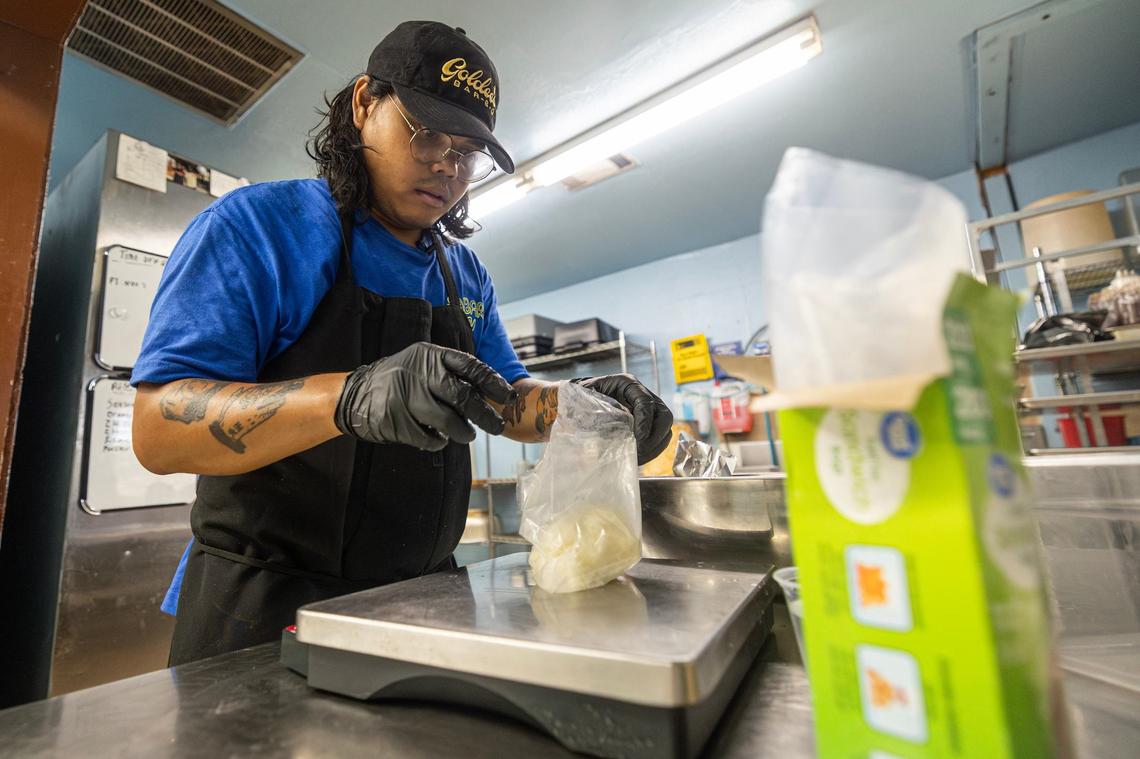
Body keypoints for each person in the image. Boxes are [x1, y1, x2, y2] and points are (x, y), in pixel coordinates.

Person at [131, 21, 673, 666]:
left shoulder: (465, 274)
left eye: (468, 150)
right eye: (428, 132)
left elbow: (506, 401)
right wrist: (348, 398)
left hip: (426, 596)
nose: (448, 163)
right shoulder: (259, 228)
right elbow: (158, 431)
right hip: (266, 605)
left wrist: (586, 405)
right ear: (364, 104)